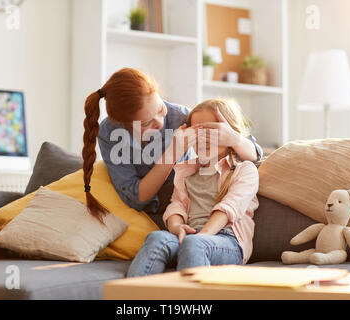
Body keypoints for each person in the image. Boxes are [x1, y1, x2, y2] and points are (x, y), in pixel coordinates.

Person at [81, 68, 262, 228]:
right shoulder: (109, 133)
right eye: (146, 122)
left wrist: (235, 139)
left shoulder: (181, 117)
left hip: (187, 211)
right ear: (123, 124)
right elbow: (136, 198)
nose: (159, 122)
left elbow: (254, 156)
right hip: (152, 217)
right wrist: (172, 153)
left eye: (160, 109)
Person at [127, 99, 259, 277]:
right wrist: (177, 227)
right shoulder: (186, 170)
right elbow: (177, 205)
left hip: (228, 242)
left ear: (229, 133)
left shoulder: (244, 170)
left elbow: (228, 209)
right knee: (157, 238)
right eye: (197, 131)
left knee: (193, 244)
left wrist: (201, 236)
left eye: (211, 131)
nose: (203, 137)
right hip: (190, 236)